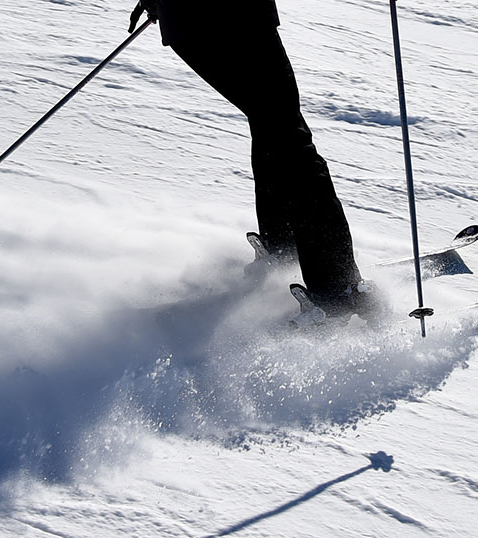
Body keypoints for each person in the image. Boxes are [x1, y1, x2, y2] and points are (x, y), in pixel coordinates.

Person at [128, 1, 376, 318]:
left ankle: (284, 248)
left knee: (273, 126)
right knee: (289, 138)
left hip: (192, 22)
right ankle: (338, 293)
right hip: (234, 16)